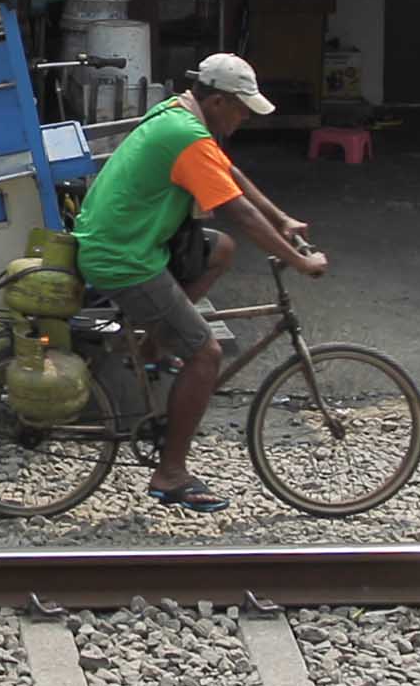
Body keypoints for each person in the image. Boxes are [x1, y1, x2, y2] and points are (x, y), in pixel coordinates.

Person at [68, 51, 329, 514]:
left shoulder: (178, 113)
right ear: (218, 100)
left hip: (129, 240)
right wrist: (297, 261)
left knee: (221, 250)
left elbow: (227, 173)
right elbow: (237, 210)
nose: (245, 116)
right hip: (123, 257)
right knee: (206, 352)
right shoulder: (183, 133)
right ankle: (171, 474)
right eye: (241, 107)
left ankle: (153, 344)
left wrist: (282, 218)